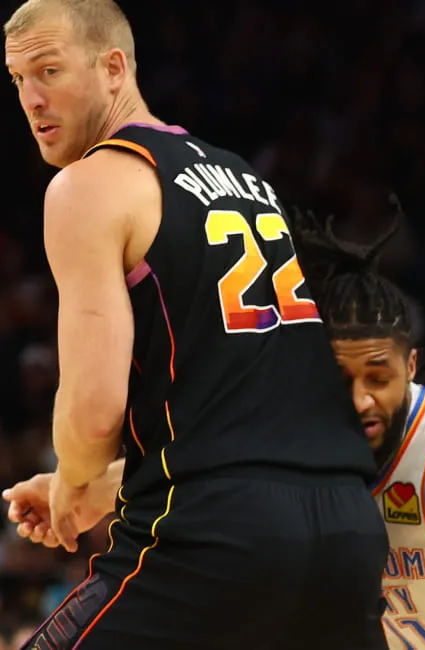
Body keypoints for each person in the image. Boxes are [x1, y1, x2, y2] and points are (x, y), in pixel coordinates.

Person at [4, 204, 425, 650]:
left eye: (379, 376)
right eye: (340, 377)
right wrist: (70, 490)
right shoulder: (294, 430)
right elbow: (192, 468)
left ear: (411, 367)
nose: (360, 399)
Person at [1, 1, 387, 648]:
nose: (31, 99)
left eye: (49, 71)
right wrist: (103, 488)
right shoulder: (244, 178)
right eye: (17, 80)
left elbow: (93, 415)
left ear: (114, 68)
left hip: (212, 539)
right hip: (344, 534)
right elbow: (244, 426)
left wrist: (72, 480)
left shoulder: (88, 185)